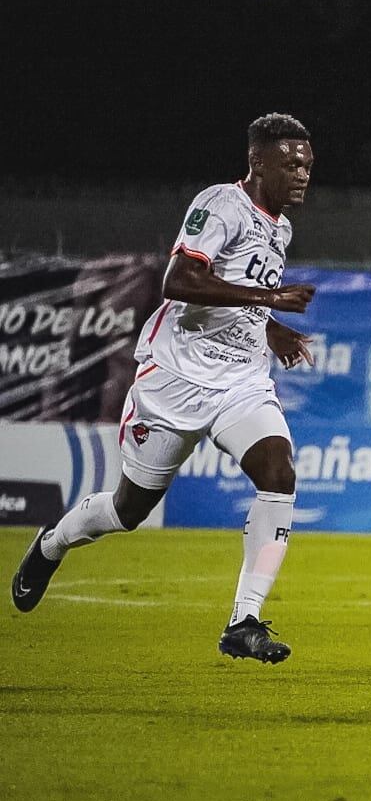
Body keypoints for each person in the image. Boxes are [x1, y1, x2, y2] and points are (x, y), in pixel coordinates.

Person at [11, 113, 318, 664]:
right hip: (176, 380)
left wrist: (272, 328)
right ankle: (52, 541)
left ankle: (243, 621)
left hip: (241, 382)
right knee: (129, 509)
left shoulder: (281, 229)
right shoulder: (221, 205)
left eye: (308, 165)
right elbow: (178, 281)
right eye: (290, 163)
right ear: (257, 161)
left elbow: (241, 294)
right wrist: (270, 300)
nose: (302, 174)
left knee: (279, 473)